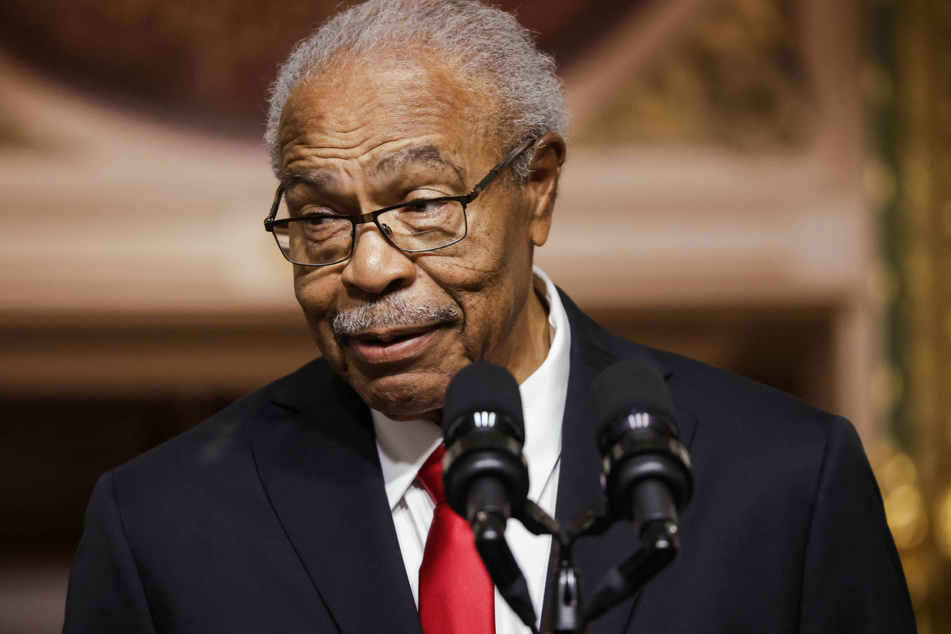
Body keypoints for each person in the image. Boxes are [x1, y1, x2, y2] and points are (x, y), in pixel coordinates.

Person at [62, 1, 916, 632]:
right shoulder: (164, 524)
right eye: (319, 220)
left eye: (425, 204)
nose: (366, 269)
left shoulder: (783, 482)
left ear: (536, 188)